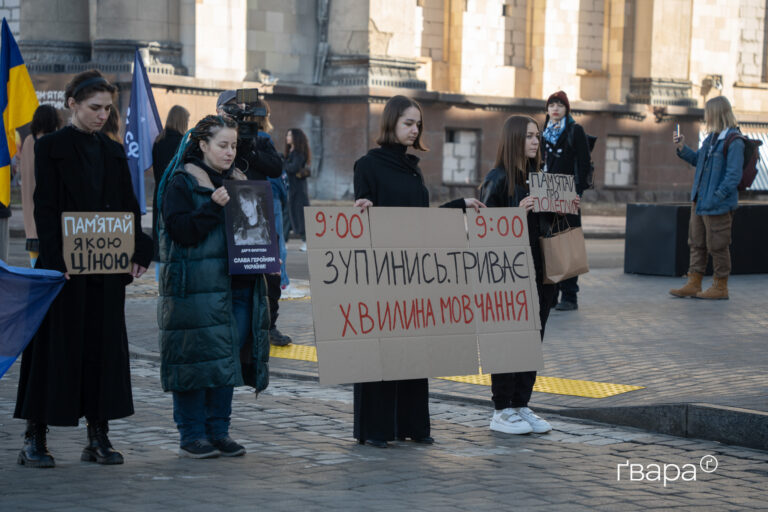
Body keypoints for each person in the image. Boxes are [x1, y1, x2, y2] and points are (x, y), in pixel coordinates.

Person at [14, 69, 153, 468]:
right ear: (72, 103)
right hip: (64, 271)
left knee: (102, 350)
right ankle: (34, 437)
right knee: (53, 351)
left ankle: (98, 436)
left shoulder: (112, 151)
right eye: (94, 108)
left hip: (105, 270)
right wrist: (57, 262)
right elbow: (47, 207)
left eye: (108, 109)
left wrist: (139, 249)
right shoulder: (51, 147)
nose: (102, 115)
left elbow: (129, 205)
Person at [352, 95, 484, 448]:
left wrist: (460, 206)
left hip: (413, 271)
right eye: (408, 123)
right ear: (391, 123)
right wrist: (360, 209)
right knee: (382, 351)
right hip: (382, 271)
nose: (414, 130)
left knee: (412, 351)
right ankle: (376, 429)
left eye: (418, 124)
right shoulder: (368, 164)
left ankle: (411, 426)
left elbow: (421, 221)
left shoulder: (413, 166)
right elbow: (363, 213)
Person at [157, 115, 271, 459]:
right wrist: (213, 207)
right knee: (194, 361)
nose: (229, 152)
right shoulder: (182, 182)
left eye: (234, 145)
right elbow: (180, 231)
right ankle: (192, 433)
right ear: (203, 145)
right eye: (223, 145)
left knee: (226, 361)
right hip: (196, 289)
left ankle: (219, 431)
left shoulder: (239, 181)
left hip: (236, 288)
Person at [479, 115, 570, 434]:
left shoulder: (539, 179)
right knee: (509, 340)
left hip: (542, 272)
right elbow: (483, 230)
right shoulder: (497, 178)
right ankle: (501, 409)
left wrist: (561, 206)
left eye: (537, 136)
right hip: (509, 276)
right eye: (529, 136)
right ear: (515, 139)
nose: (536, 142)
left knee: (532, 339)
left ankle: (521, 404)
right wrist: (517, 212)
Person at [670, 96, 743, 300]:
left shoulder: (734, 140)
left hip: (717, 204)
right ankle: (694, 283)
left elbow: (733, 176)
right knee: (696, 243)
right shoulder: (711, 139)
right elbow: (697, 161)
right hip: (699, 202)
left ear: (717, 113)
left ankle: (720, 287)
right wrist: (682, 147)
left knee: (718, 245)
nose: (705, 115)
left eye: (708, 112)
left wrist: (717, 197)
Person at [541, 91, 590, 312]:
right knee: (548, 244)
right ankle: (551, 295)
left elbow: (584, 164)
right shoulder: (542, 131)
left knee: (567, 243)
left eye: (560, 105)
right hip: (545, 193)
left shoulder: (574, 130)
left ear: (567, 109)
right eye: (552, 104)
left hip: (567, 194)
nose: (555, 109)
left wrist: (578, 192)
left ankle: (570, 296)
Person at [20, 105, 60, 268]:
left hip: (30, 204)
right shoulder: (57, 140)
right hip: (52, 205)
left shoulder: (29, 141)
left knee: (35, 260)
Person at [152, 105, 190, 280]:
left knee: (160, 236)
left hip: (159, 192)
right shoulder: (182, 144)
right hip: (176, 193)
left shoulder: (159, 141)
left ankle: (160, 278)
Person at [284, 128, 311, 251]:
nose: (287, 137)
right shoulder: (291, 151)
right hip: (292, 188)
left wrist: (282, 163)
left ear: (296, 137)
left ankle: (306, 241)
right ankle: (283, 241)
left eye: (290, 135)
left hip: (298, 189)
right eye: (287, 135)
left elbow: (293, 168)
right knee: (288, 214)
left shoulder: (298, 153)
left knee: (301, 215)